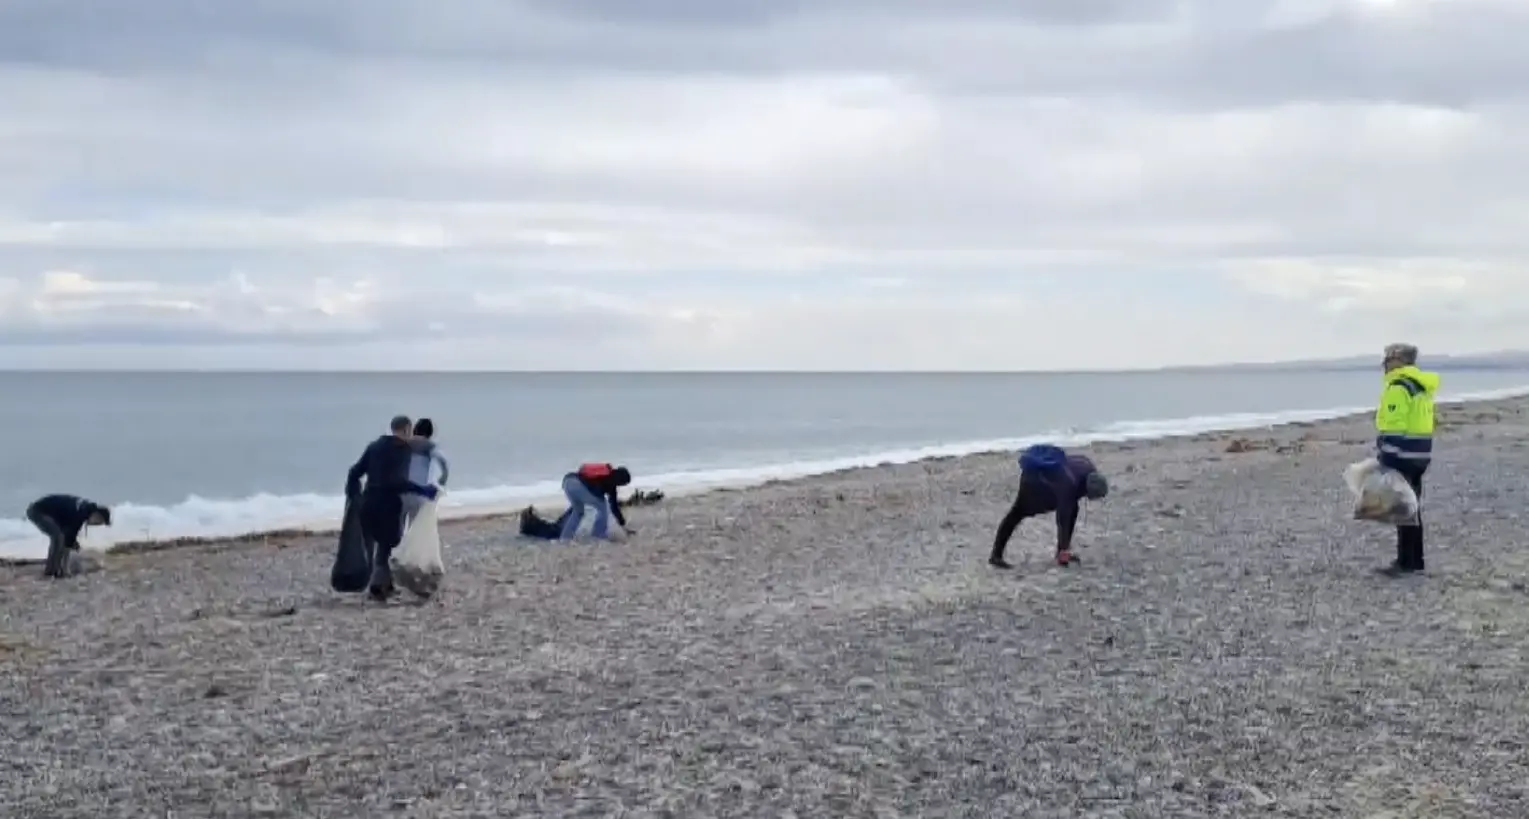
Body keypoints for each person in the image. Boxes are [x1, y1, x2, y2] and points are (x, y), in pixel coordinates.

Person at [346, 415, 438, 600]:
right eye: (409, 432)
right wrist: (422, 489)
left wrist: (353, 495)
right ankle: (377, 586)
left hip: (368, 502)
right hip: (386, 505)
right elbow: (399, 482)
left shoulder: (373, 447)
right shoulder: (402, 450)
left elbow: (354, 472)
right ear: (405, 430)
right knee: (387, 547)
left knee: (373, 545)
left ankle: (383, 584)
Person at [989, 445, 1108, 569]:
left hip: (1043, 474)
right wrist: (1064, 555)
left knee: (1073, 508)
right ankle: (996, 556)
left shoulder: (1087, 466)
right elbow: (1062, 518)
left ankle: (1061, 551)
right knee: (1017, 513)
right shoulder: (1069, 484)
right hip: (1034, 479)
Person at [1375, 343, 1438, 576]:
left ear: (1397, 360)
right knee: (1413, 507)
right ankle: (1415, 560)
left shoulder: (1398, 387)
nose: (1385, 363)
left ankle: (1405, 563)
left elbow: (1394, 425)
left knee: (1403, 509)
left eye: (1388, 359)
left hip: (1402, 455)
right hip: (1421, 454)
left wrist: (1386, 458)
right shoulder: (1420, 386)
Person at [26, 494, 111, 579]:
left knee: (62, 538)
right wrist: (66, 570)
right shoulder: (80, 514)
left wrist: (73, 543)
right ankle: (52, 570)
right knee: (58, 537)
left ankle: (56, 568)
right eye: (99, 522)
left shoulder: (84, 509)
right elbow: (68, 542)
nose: (95, 525)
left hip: (51, 514)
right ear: (96, 515)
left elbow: (68, 533)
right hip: (37, 511)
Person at [559, 462, 633, 541]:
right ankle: (598, 536)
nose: (620, 485)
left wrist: (623, 526)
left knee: (578, 511)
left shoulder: (606, 472)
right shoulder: (609, 477)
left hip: (568, 482)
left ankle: (565, 538)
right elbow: (614, 507)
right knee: (603, 506)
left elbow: (614, 508)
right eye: (623, 483)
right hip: (578, 484)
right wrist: (623, 525)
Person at [404, 417, 450, 526]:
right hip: (418, 490)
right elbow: (442, 461)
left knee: (398, 526)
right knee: (414, 524)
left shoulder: (405, 443)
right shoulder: (429, 446)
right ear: (430, 432)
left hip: (401, 489)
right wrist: (443, 479)